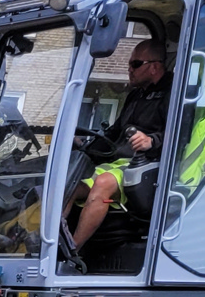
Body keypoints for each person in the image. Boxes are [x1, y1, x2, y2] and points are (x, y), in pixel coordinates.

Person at [69, 39, 172, 250]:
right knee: (68, 184)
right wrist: (86, 146)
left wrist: (151, 141)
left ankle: (73, 251)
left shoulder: (173, 94)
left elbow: (179, 134)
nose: (129, 70)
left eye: (135, 64)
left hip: (148, 164)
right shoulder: (136, 95)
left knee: (103, 183)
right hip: (120, 161)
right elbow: (114, 133)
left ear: (154, 66)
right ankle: (52, 245)